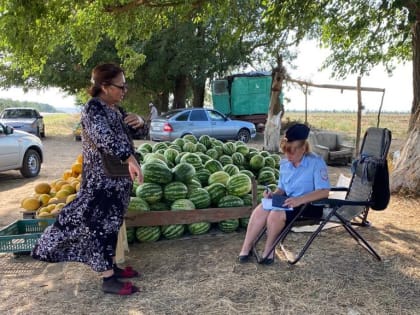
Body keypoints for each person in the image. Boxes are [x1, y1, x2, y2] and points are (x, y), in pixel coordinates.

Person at [31, 63, 144, 295]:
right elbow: (105, 139)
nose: (125, 91)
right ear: (104, 86)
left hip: (118, 181)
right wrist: (130, 159)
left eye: (125, 86)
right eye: (121, 86)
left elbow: (131, 134)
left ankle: (112, 266)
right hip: (101, 182)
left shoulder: (115, 110)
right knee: (99, 227)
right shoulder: (93, 109)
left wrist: (140, 123)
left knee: (111, 226)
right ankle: (108, 279)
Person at [238, 123, 330, 265]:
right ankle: (246, 247)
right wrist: (272, 194)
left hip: (310, 205)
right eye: (286, 151)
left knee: (276, 213)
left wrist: (299, 200)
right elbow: (282, 189)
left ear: (303, 148)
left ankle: (269, 250)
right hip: (289, 202)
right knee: (261, 209)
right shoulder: (285, 164)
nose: (288, 155)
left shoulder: (316, 163)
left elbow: (324, 192)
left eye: (292, 151)